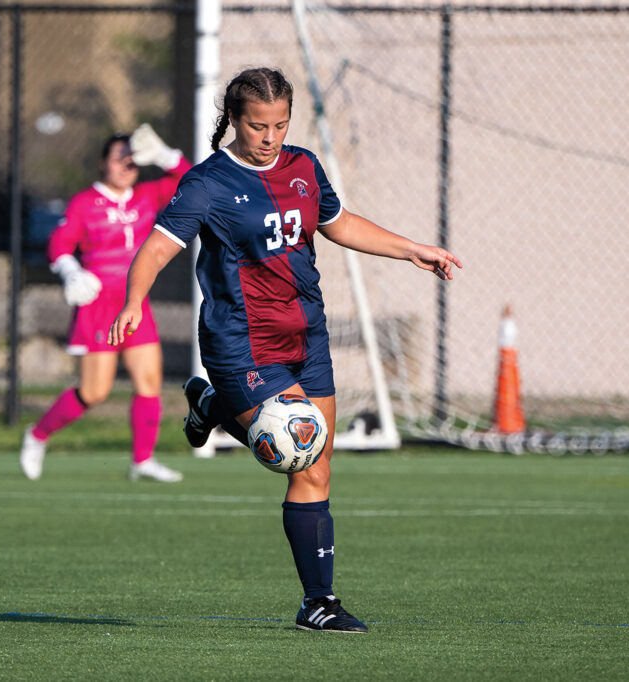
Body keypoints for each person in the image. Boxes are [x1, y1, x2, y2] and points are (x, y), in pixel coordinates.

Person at [108, 67, 461, 631]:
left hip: (306, 335)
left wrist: (410, 249)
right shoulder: (207, 183)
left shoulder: (302, 166)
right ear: (234, 121)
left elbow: (339, 224)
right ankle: (218, 404)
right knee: (296, 449)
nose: (269, 136)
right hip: (240, 342)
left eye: (279, 123)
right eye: (257, 125)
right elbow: (154, 250)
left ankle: (317, 603)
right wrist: (132, 303)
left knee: (316, 469)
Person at [20, 124, 192, 483]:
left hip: (134, 301)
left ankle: (142, 461)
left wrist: (165, 156)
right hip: (99, 305)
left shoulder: (146, 195)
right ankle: (37, 436)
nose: (126, 164)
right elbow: (60, 242)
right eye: (119, 158)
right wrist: (70, 272)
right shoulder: (85, 202)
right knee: (94, 392)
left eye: (132, 158)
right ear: (103, 164)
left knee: (149, 382)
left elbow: (191, 181)